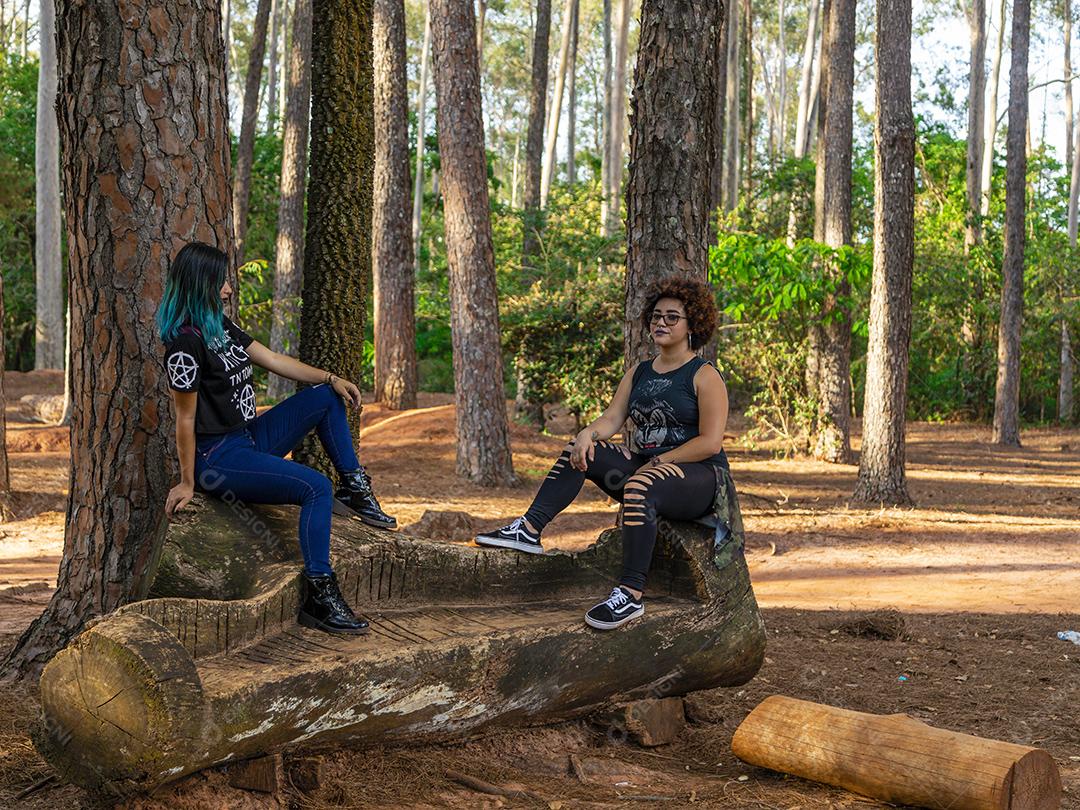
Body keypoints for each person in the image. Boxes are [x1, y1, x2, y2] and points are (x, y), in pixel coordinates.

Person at [158, 242, 395, 636]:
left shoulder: (218, 325)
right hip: (217, 459)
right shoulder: (185, 345)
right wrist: (187, 480)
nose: (228, 290)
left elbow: (272, 359)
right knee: (316, 488)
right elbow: (184, 419)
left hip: (248, 436)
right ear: (201, 284)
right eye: (220, 283)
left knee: (323, 397)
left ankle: (355, 488)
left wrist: (329, 377)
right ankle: (320, 595)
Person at [476, 274, 730, 631]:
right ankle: (529, 530)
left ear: (692, 325)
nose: (661, 322)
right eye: (656, 316)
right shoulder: (639, 372)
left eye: (672, 317)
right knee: (580, 451)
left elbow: (711, 442)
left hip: (700, 478)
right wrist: (585, 434)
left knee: (641, 485)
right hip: (650, 468)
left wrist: (658, 462)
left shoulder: (704, 375)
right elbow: (611, 419)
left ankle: (630, 595)